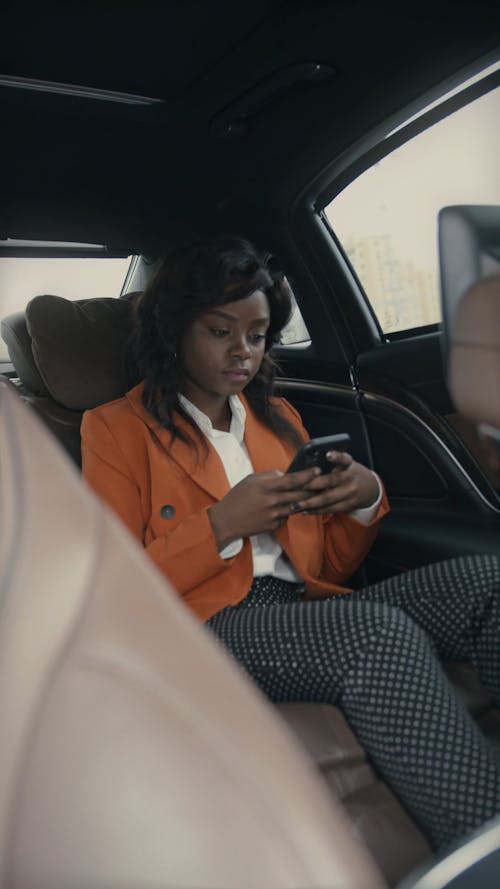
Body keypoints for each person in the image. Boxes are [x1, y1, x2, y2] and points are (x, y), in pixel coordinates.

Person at [81, 235, 500, 852]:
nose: (242, 352)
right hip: (205, 626)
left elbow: (329, 565)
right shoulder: (114, 428)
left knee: (486, 582)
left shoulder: (280, 421)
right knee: (375, 634)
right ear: (175, 331)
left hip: (304, 611)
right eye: (220, 331)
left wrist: (360, 498)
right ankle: (483, 844)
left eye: (256, 334)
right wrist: (221, 525)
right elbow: (113, 592)